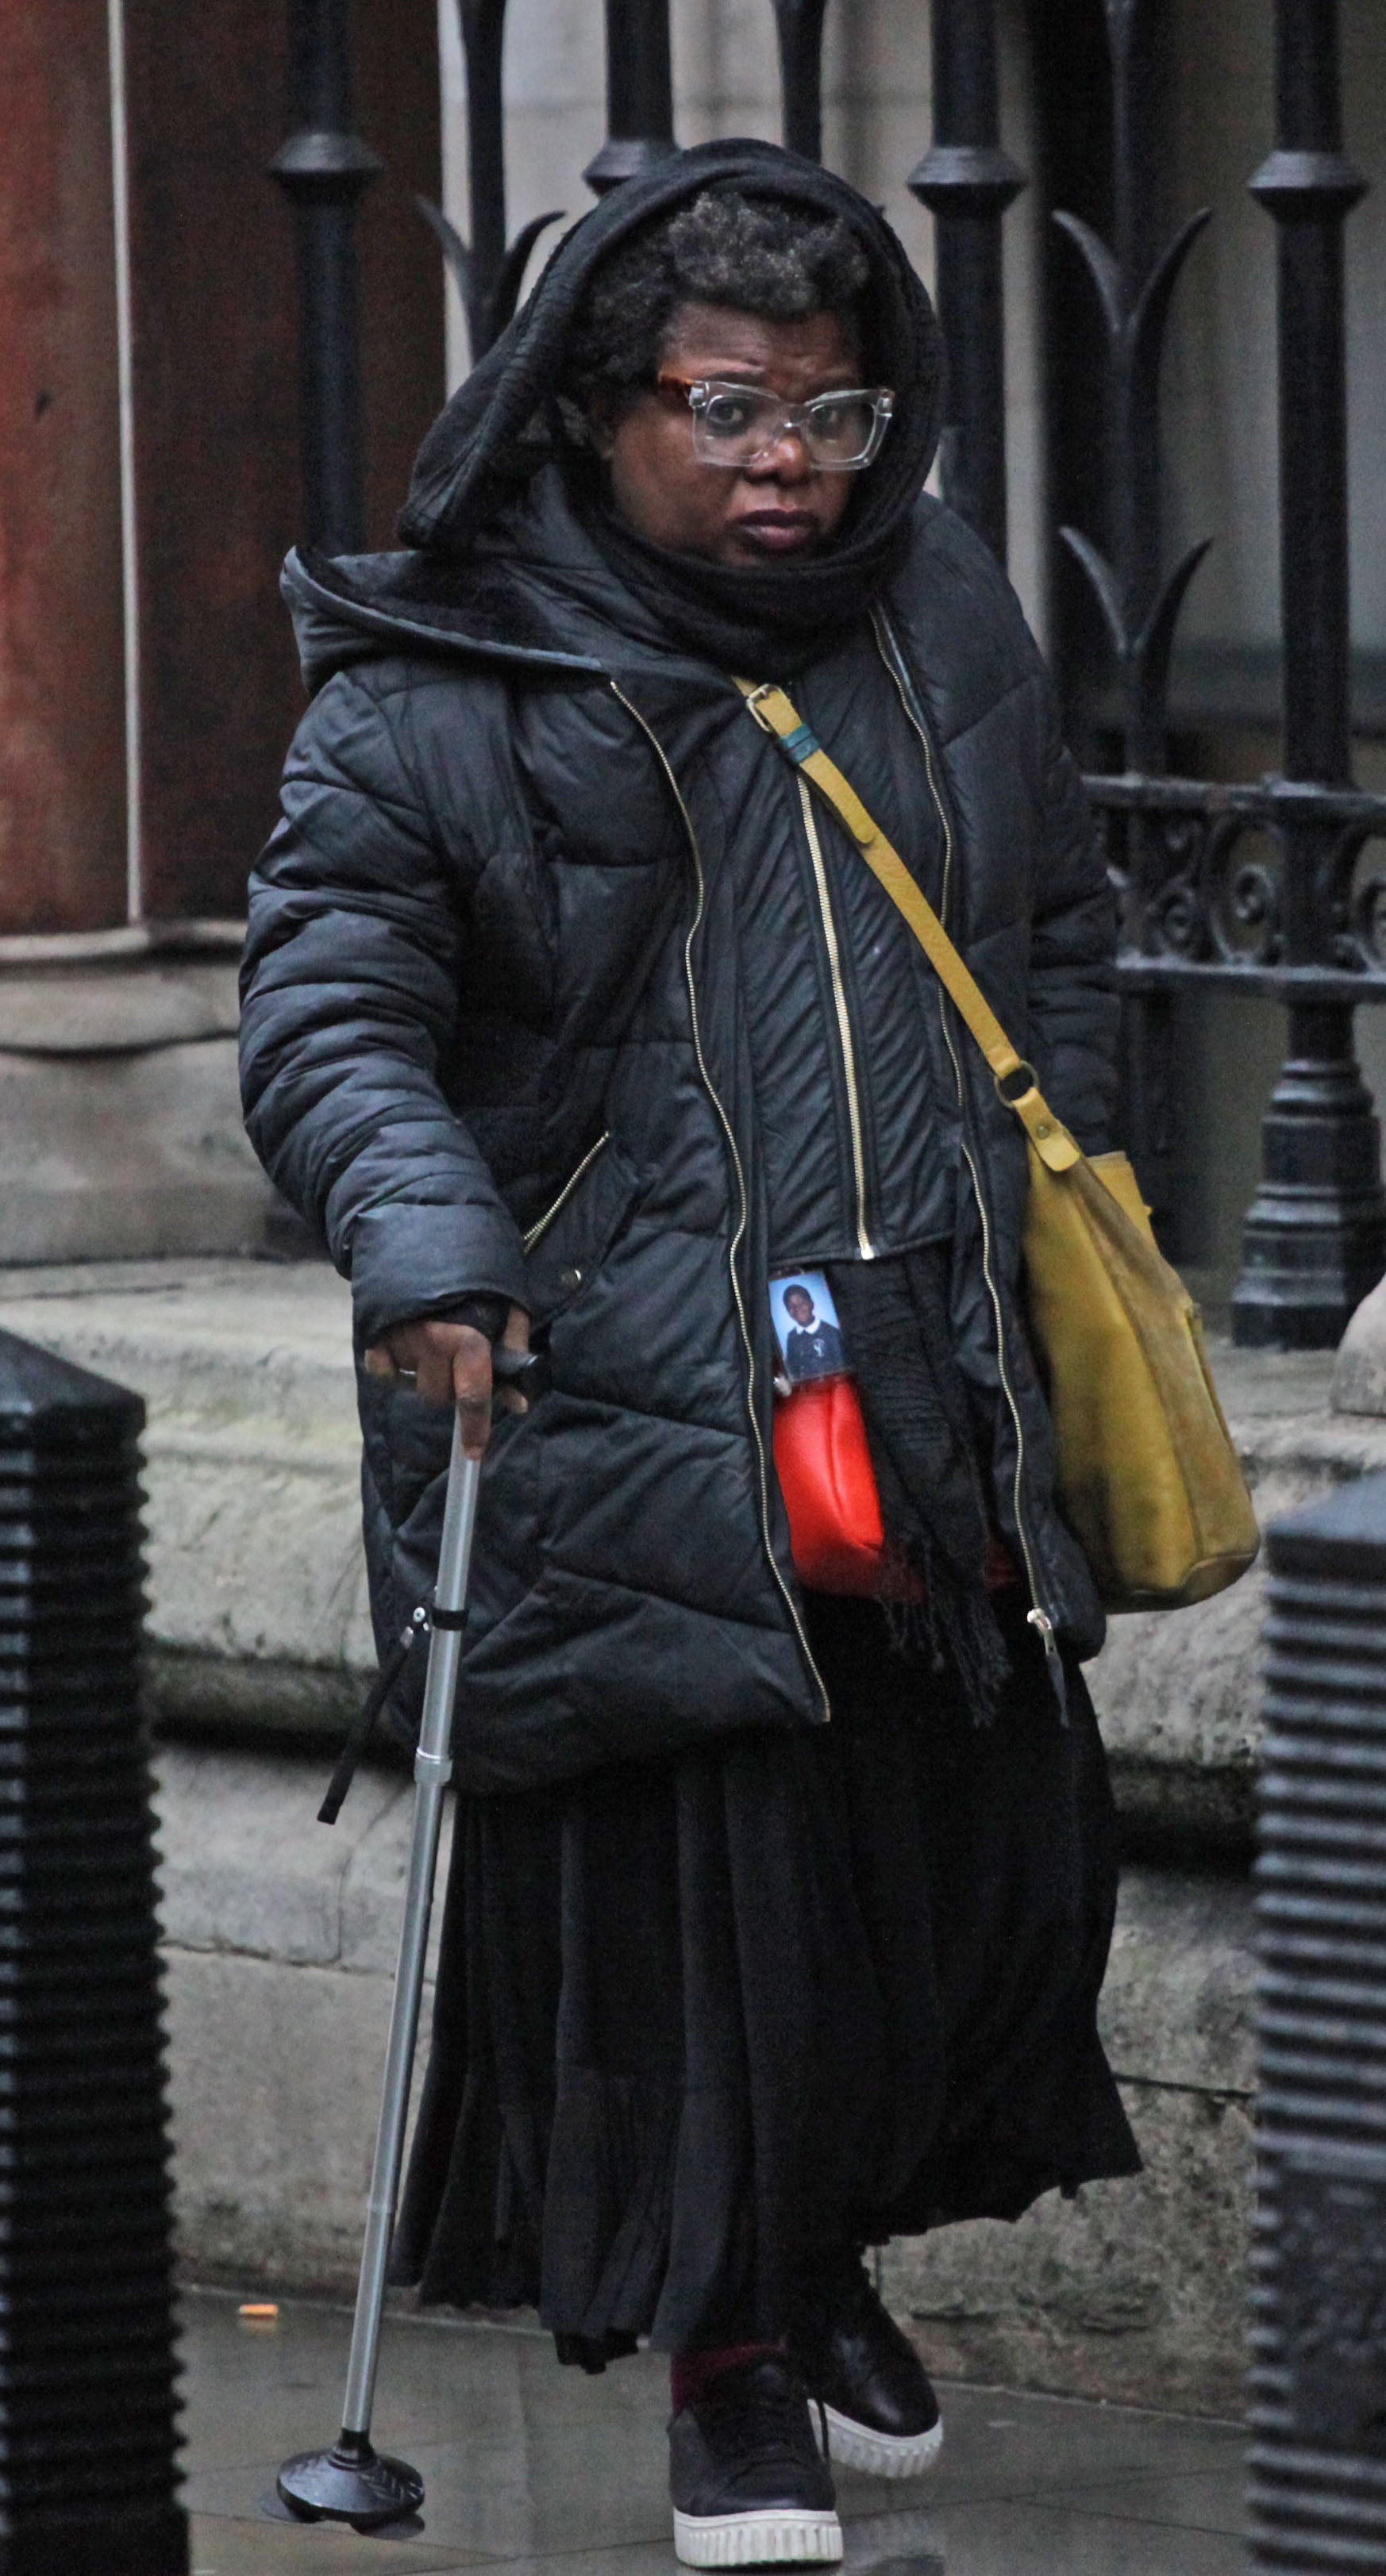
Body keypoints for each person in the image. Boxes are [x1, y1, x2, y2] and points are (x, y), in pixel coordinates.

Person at [241, 140, 1139, 2569]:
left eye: (834, 418)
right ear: (596, 403)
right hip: (622, 1379)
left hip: (918, 1364)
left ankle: (817, 2250)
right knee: (709, 1906)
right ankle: (733, 2352)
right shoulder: (449, 662)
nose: (784, 465)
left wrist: (1059, 1182)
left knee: (940, 1875)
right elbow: (335, 1009)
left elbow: (1049, 915)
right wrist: (429, 1248)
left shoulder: (935, 607)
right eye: (728, 410)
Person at [780, 1283, 847, 1382]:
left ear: (811, 1304)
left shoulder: (832, 1333)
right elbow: (793, 1369)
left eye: (801, 1303)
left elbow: (842, 1367)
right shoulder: (791, 1337)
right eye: (791, 1307)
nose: (797, 1309)